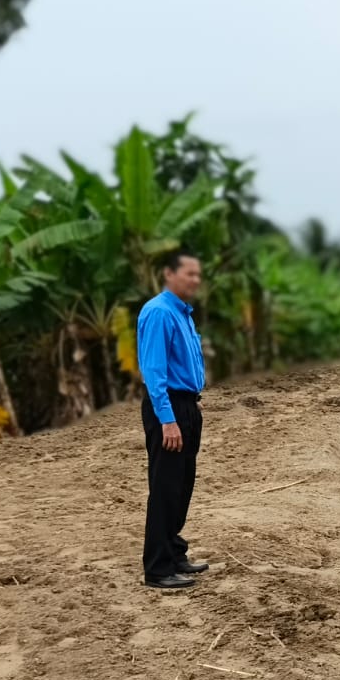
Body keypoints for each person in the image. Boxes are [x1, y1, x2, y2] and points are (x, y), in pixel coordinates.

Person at [137, 248, 210, 589]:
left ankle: (174, 551)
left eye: (198, 274)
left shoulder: (183, 313)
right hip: (168, 409)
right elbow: (154, 371)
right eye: (189, 273)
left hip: (187, 406)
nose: (195, 280)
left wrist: (191, 405)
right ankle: (158, 568)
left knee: (182, 485)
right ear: (169, 274)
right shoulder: (159, 312)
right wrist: (168, 419)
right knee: (165, 487)